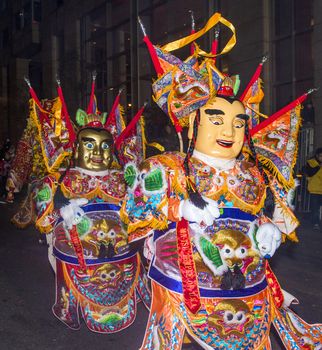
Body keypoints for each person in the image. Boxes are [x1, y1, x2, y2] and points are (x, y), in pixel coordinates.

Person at [121, 12, 322, 349]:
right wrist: (178, 207)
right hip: (184, 278)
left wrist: (267, 228)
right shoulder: (165, 168)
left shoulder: (252, 172)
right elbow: (134, 213)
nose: (230, 132)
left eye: (239, 123)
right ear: (191, 124)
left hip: (248, 281)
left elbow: (259, 213)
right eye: (217, 121)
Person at [33, 80, 151, 333]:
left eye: (105, 146)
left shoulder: (121, 178)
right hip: (78, 253)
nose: (98, 152)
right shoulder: (59, 179)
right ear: (75, 148)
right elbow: (42, 213)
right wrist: (60, 211)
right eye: (89, 145)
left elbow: (141, 211)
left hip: (120, 254)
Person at [303, 147, 322, 230]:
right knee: (315, 209)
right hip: (315, 190)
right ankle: (315, 223)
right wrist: (319, 167)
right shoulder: (311, 163)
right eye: (321, 156)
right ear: (317, 156)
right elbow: (310, 173)